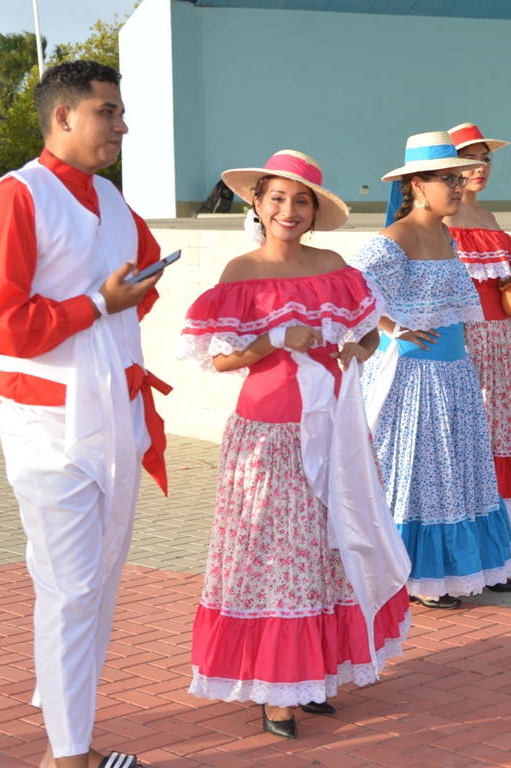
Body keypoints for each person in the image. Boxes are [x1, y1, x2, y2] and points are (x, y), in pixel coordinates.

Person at [0, 60, 169, 768]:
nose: (122, 124)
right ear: (62, 118)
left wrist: (136, 289)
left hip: (116, 413)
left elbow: (142, 276)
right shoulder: (15, 198)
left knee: (98, 580)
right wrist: (97, 305)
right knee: (71, 587)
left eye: (119, 111)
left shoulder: (112, 198)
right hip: (48, 425)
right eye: (107, 111)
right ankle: (68, 755)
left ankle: (63, 710)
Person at [179, 150, 411, 739]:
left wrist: (350, 352)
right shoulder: (239, 273)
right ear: (256, 202)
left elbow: (367, 339)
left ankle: (314, 675)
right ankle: (277, 691)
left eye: (301, 200)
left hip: (333, 430)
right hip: (268, 437)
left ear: (314, 210)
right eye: (277, 198)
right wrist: (274, 340)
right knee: (277, 557)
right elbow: (220, 359)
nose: (288, 209)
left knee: (331, 549)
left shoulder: (334, 266)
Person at [353, 131, 511, 610]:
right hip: (414, 378)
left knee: (462, 469)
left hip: (453, 373)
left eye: (458, 176)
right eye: (446, 178)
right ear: (417, 185)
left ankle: (473, 566)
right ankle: (421, 575)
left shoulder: (445, 233)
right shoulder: (395, 237)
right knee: (422, 473)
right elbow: (352, 288)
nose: (458, 184)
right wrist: (393, 327)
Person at [443, 122, 511, 558]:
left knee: (502, 431)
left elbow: (510, 293)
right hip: (464, 338)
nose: (481, 167)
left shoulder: (488, 217)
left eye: (486, 158)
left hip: (503, 340)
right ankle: (466, 540)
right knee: (468, 435)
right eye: (471, 158)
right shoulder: (442, 220)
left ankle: (496, 538)